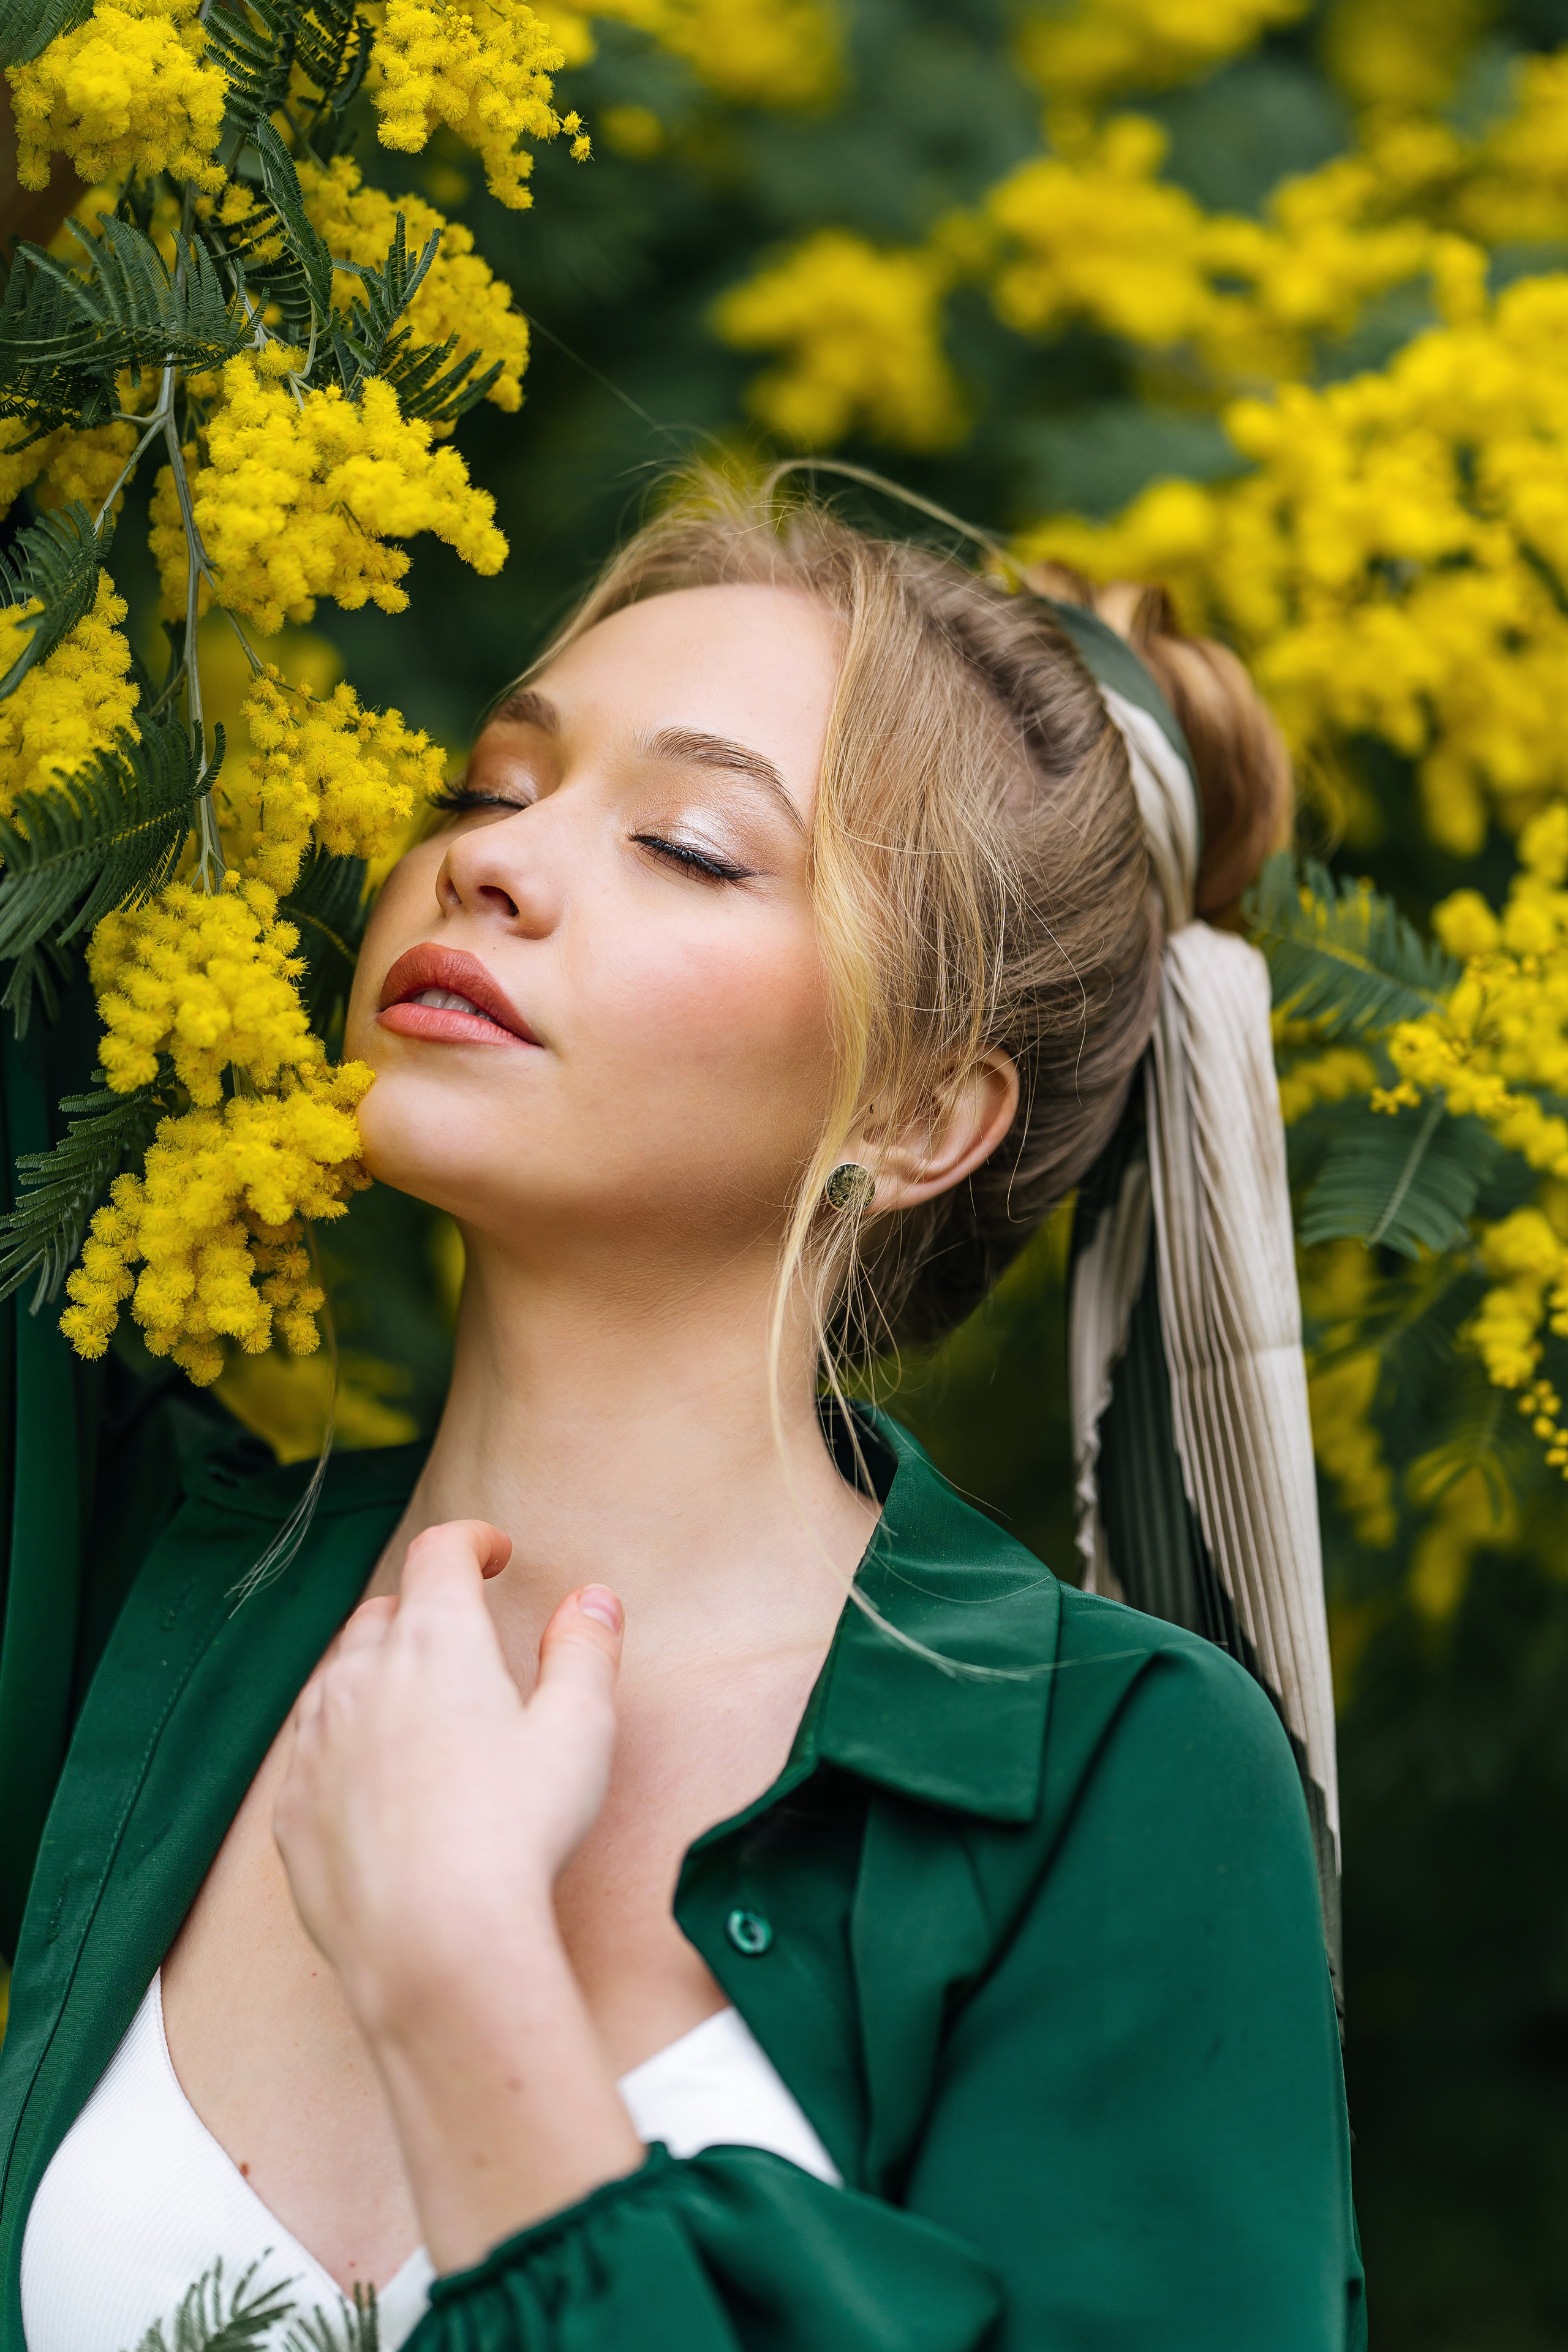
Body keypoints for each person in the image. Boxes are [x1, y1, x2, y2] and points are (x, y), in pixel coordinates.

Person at [0, 475, 1364, 2351]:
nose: (493, 858)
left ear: (918, 1117)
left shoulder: (1105, 1782)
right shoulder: (141, 1580)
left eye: (694, 846)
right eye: (493, 786)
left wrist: (464, 1986)